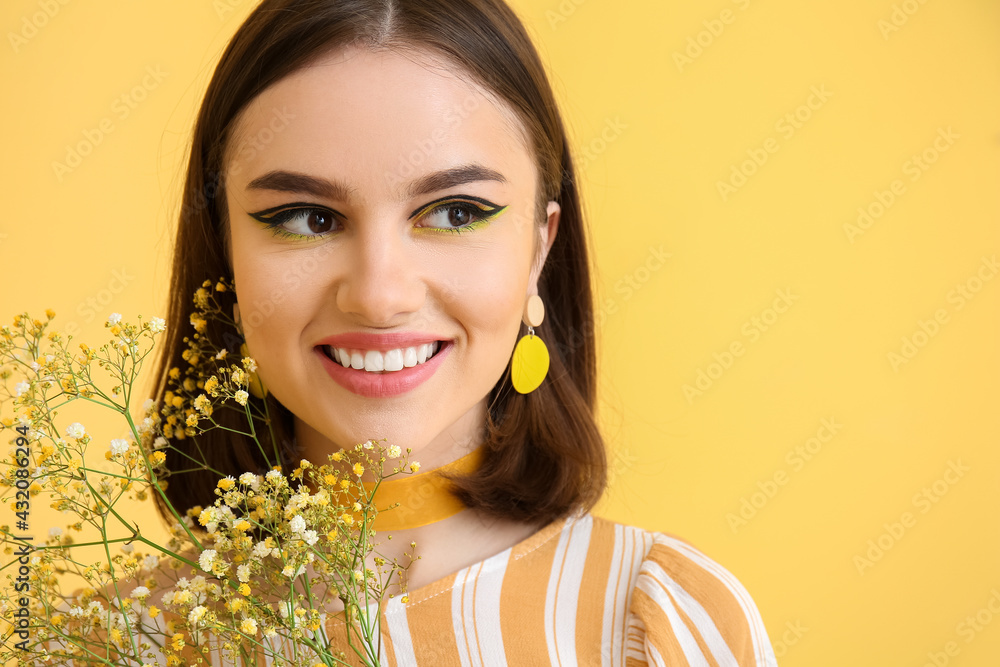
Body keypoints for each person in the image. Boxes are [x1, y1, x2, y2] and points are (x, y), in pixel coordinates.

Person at [146, 0, 780, 664]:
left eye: (454, 211)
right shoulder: (116, 638)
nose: (379, 296)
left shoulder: (657, 620)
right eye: (306, 217)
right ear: (225, 256)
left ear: (539, 249)